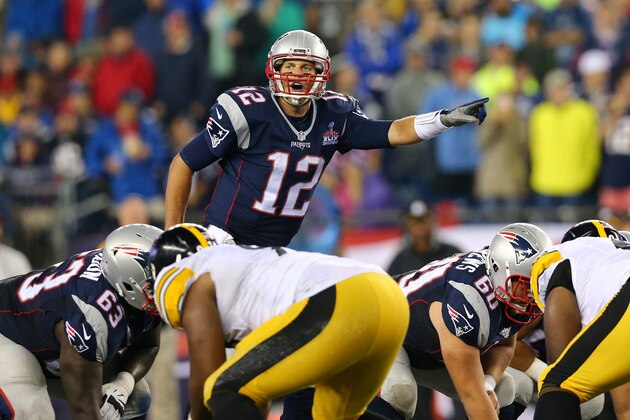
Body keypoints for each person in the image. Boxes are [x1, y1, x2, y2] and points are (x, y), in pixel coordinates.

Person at [164, 29, 489, 242]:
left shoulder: (336, 113)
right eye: (290, 66)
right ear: (273, 69)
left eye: (307, 68)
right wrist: (173, 232)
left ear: (322, 74)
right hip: (224, 241)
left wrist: (443, 120)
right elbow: (184, 163)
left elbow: (393, 131)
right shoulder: (248, 109)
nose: (297, 75)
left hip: (277, 250)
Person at [282, 223, 553, 420]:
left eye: (536, 281)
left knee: (505, 387)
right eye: (524, 284)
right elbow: (472, 398)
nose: (532, 291)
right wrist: (481, 390)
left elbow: (504, 344)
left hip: (425, 346)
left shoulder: (512, 289)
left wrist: (489, 382)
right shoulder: (467, 300)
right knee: (400, 392)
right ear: (498, 269)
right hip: (384, 331)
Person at [146, 223, 410, 420]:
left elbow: (208, 378)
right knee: (332, 416)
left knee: (222, 387)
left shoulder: (188, 274)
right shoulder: (240, 270)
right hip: (387, 298)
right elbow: (255, 390)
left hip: (342, 300)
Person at [0, 224, 164, 419]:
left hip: (46, 345)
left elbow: (148, 345)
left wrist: (123, 384)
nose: (166, 287)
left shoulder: (123, 282)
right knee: (34, 412)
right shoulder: (90, 312)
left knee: (134, 397)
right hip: (8, 335)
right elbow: (84, 412)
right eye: (157, 279)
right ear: (129, 281)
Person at [530, 220, 630, 419]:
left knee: (556, 384)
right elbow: (625, 403)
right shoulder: (616, 261)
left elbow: (560, 363)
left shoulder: (561, 261)